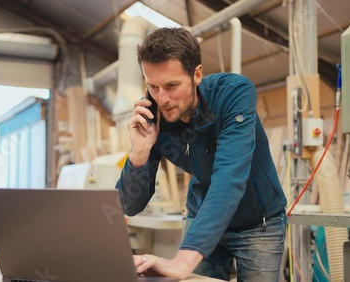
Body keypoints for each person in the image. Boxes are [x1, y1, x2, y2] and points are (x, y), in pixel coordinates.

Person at [115, 27, 287, 281]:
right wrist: (139, 154)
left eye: (172, 85)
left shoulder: (233, 94)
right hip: (203, 217)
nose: (162, 99)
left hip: (258, 223)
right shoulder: (152, 116)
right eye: (153, 86)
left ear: (196, 74)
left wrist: (184, 260)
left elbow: (229, 178)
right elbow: (129, 205)